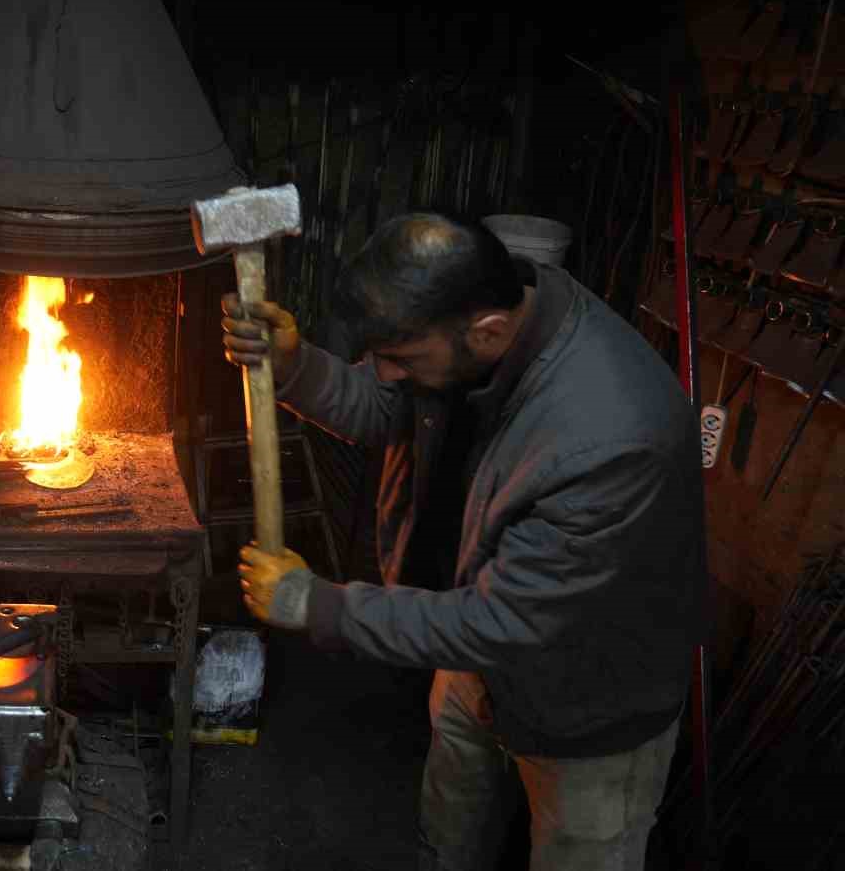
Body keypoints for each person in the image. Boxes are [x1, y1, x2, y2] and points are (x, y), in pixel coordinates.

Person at [222, 214, 707, 871]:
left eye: (400, 358)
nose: (385, 373)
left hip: (585, 708)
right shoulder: (469, 337)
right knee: (449, 839)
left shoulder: (611, 441)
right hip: (469, 656)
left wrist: (318, 604)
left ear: (489, 331)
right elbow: (383, 405)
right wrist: (296, 366)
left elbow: (504, 621)